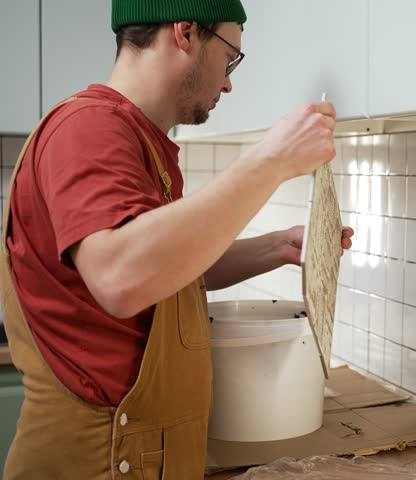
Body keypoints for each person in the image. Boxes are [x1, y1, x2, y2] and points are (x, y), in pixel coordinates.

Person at [1, 1, 353, 478]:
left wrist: (278, 247)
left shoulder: (139, 140)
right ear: (185, 32)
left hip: (138, 453)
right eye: (230, 57)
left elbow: (165, 272)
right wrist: (271, 159)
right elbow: (121, 277)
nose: (229, 81)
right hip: (98, 461)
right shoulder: (89, 129)